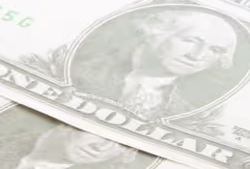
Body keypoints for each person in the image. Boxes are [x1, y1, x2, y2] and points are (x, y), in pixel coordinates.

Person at [77, 8, 240, 117]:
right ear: (156, 33)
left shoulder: (188, 111)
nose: (196, 56)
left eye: (215, 50)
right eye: (190, 40)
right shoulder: (82, 67)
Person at [2, 124, 140, 169]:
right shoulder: (4, 137)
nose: (102, 147)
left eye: (122, 145)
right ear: (66, 127)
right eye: (102, 133)